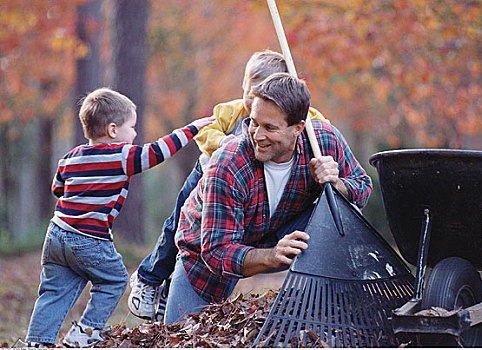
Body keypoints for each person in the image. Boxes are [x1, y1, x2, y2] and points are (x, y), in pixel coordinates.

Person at [128, 50, 330, 321]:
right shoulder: (230, 111)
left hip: (250, 197)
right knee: (179, 226)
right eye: (251, 91)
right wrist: (223, 144)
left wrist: (320, 136)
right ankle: (149, 277)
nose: (255, 102)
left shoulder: (303, 119)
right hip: (206, 176)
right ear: (243, 87)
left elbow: (317, 123)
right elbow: (206, 131)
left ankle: (169, 289)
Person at [164, 72, 372, 323]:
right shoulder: (228, 163)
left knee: (346, 216)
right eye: (253, 122)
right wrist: (272, 256)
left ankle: (331, 303)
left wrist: (335, 182)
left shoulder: (323, 140)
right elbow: (217, 253)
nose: (257, 135)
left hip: (283, 231)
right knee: (179, 333)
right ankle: (165, 290)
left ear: (298, 128)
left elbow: (361, 188)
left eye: (270, 128)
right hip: (208, 254)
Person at [24, 87, 214, 348]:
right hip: (89, 239)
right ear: (113, 130)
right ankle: (86, 331)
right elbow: (158, 151)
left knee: (53, 292)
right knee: (114, 279)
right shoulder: (121, 155)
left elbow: (58, 189)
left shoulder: (69, 158)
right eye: (132, 127)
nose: (135, 134)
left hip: (56, 235)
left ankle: (36, 343)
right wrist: (192, 128)